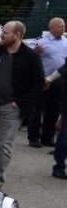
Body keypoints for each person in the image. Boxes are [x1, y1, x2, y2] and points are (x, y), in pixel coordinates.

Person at [0, 20, 44, 190]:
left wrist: (19, 103)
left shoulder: (30, 57)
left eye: (5, 32)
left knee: (5, 144)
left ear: (17, 35)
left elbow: (37, 84)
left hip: (11, 109)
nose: (1, 35)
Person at [26, 16, 67, 147]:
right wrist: (35, 52)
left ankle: (47, 138)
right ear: (51, 28)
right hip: (43, 80)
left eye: (64, 26)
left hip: (59, 81)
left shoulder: (66, 41)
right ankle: (33, 137)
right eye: (60, 26)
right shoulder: (40, 41)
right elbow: (26, 55)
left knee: (54, 110)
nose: (63, 28)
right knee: (37, 109)